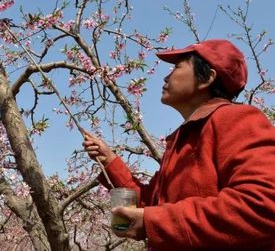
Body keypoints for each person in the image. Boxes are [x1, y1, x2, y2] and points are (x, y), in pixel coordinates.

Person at [83, 39, 275, 250]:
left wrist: (154, 222)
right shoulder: (184, 140)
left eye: (177, 67)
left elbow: (264, 205)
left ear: (208, 78)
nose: (166, 76)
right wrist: (109, 161)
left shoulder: (238, 120)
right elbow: (152, 204)